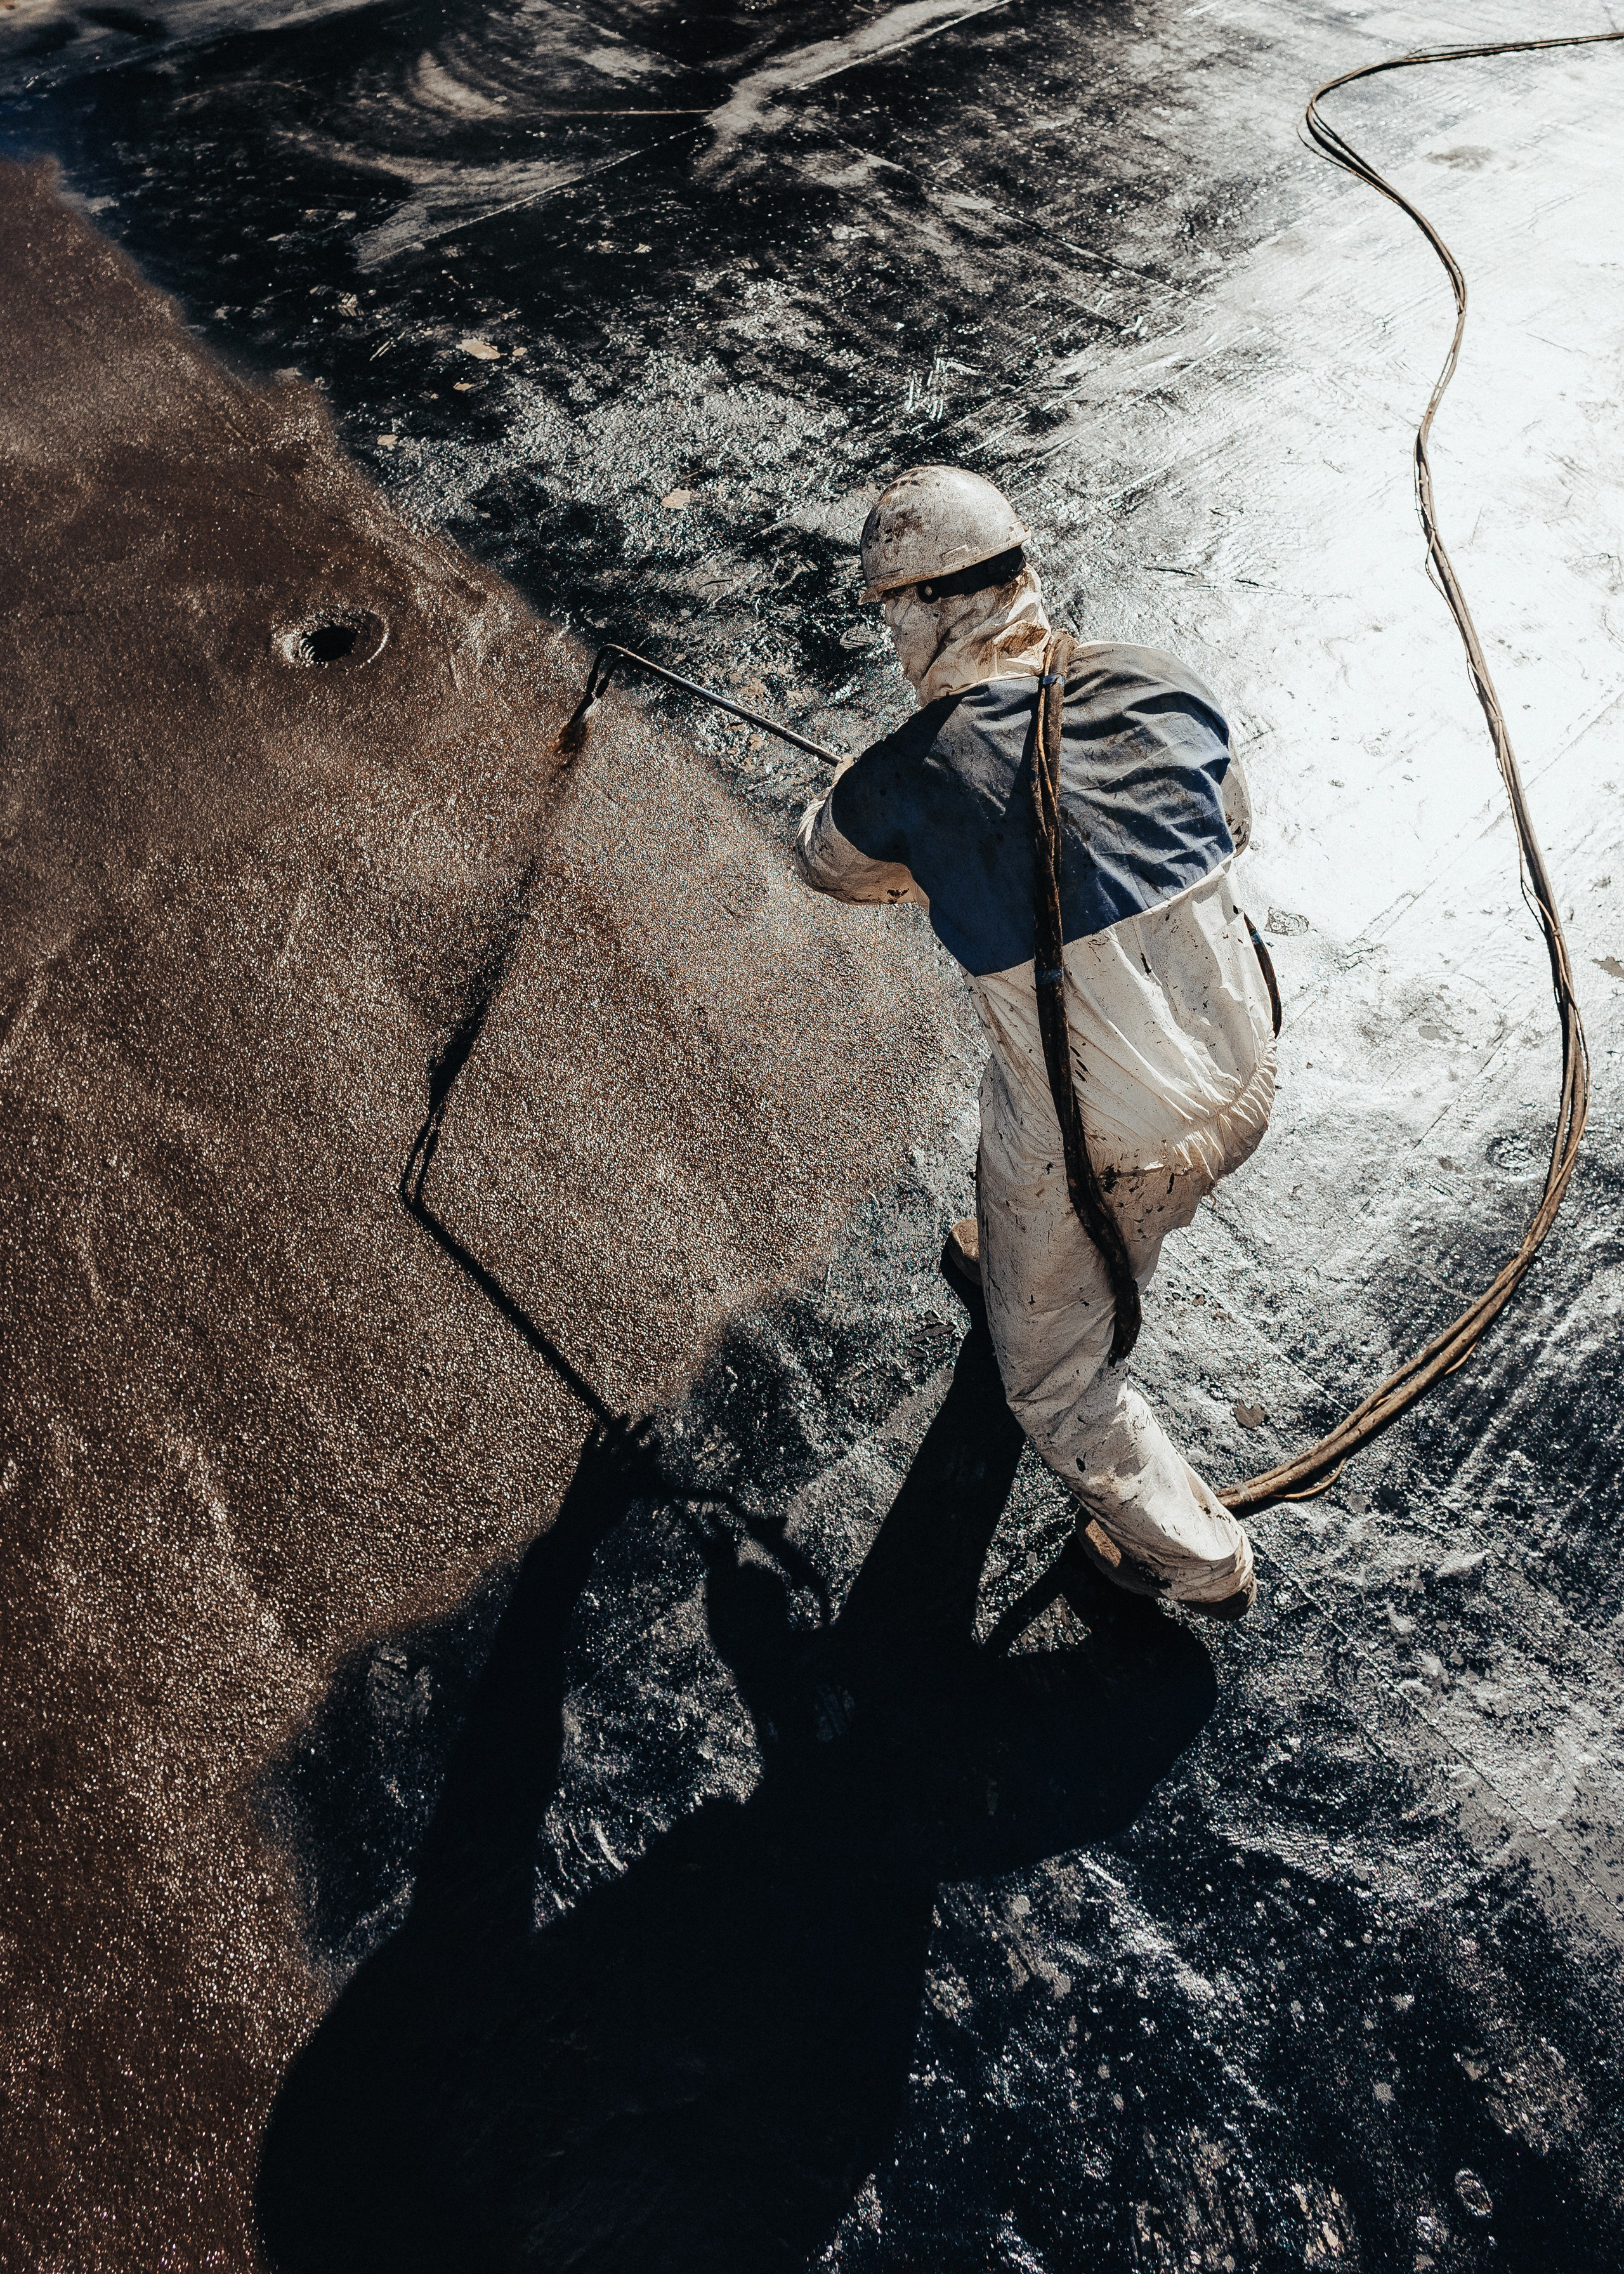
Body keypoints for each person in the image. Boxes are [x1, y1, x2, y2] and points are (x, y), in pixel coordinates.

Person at [794, 465, 1276, 1619]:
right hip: (1245, 1060)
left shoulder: (909, 778)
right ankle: (1028, 1257)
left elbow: (829, 863)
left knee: (1051, 1385)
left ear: (922, 609)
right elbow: (1236, 817)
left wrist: (938, 852)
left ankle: (1196, 1561)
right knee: (1036, 1120)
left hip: (1108, 1130)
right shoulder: (1162, 682)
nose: (889, 635)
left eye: (890, 612)